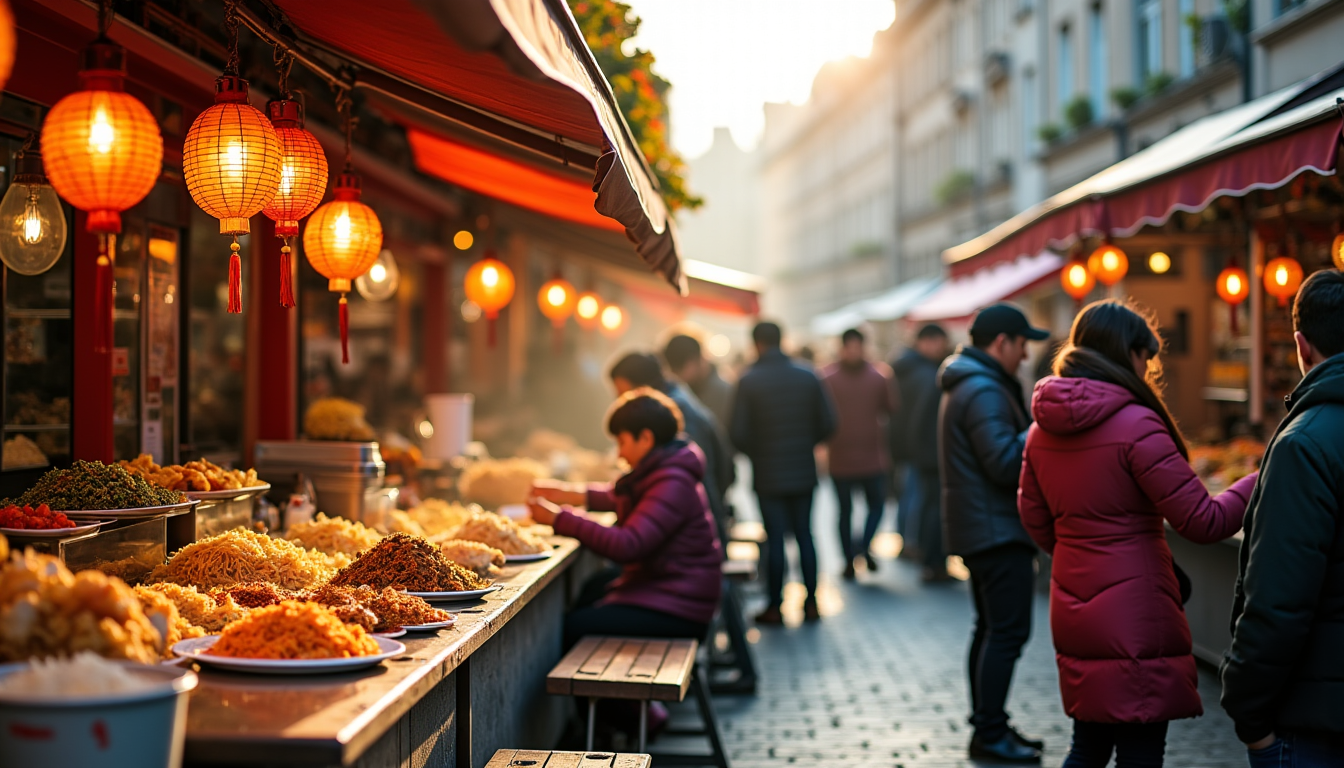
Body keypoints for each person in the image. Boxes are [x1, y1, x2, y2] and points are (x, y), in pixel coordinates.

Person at [1019, 300, 1257, 768]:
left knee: (1087, 747)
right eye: (1145, 357)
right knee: (1140, 752)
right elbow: (1203, 521)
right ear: (1126, 354)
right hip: (1136, 613)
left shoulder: (1039, 432)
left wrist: (1080, 554)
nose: (1148, 368)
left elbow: (1035, 520)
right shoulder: (1137, 424)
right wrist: (1264, 474)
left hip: (1074, 603)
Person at [1221, 269, 1344, 768]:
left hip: (1314, 722)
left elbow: (1276, 601)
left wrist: (1250, 719)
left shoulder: (1304, 445)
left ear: (1301, 345)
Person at [528, 387, 724, 649]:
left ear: (645, 438)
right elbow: (622, 497)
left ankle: (582, 686)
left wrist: (560, 519)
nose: (619, 453)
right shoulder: (665, 469)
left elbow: (628, 545)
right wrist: (567, 493)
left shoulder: (672, 482)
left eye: (622, 442)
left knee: (575, 625)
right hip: (670, 587)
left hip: (682, 606)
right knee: (593, 588)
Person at [938, 303, 1048, 763]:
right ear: (1001, 342)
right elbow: (1004, 462)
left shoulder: (974, 384)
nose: (1025, 355)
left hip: (983, 526)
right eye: (1022, 344)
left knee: (991, 630)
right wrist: (1042, 428)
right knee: (1005, 632)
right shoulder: (983, 389)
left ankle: (991, 726)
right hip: (995, 529)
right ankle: (989, 732)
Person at [731, 321, 836, 624]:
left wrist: (760, 452)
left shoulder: (748, 380)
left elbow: (737, 432)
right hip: (803, 470)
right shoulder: (807, 375)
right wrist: (805, 444)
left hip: (768, 473)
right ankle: (812, 602)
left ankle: (775, 606)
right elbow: (828, 423)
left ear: (756, 344)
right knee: (805, 535)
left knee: (774, 537)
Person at [609, 352, 734, 544]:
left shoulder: (674, 414)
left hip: (698, 542)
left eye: (622, 393)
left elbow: (703, 478)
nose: (619, 400)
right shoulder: (673, 400)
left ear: (640, 389)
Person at [821, 328, 896, 579]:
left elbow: (891, 407)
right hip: (841, 458)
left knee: (875, 506)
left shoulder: (879, 376)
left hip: (871, 456)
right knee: (845, 511)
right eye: (849, 346)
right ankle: (850, 558)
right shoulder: (828, 377)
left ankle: (861, 547)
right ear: (841, 347)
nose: (853, 350)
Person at [890, 323, 951, 581]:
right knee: (926, 503)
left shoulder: (904, 369)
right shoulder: (926, 374)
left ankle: (912, 544)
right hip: (925, 451)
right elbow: (921, 419)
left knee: (917, 500)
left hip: (908, 447)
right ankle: (928, 557)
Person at [664, 334, 734, 432]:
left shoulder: (723, 392)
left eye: (680, 370)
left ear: (696, 361)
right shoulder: (682, 388)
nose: (678, 377)